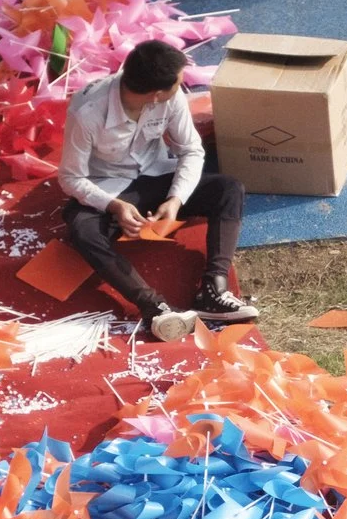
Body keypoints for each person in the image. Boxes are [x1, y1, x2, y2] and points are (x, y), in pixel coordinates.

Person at [56, 38, 258, 341]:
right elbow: (70, 177)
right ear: (156, 94)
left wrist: (176, 199)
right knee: (83, 230)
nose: (181, 86)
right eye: (177, 83)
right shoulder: (87, 112)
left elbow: (191, 150)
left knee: (229, 189)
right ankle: (155, 308)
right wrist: (114, 206)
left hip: (158, 173)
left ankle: (214, 290)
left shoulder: (170, 99)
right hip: (111, 187)